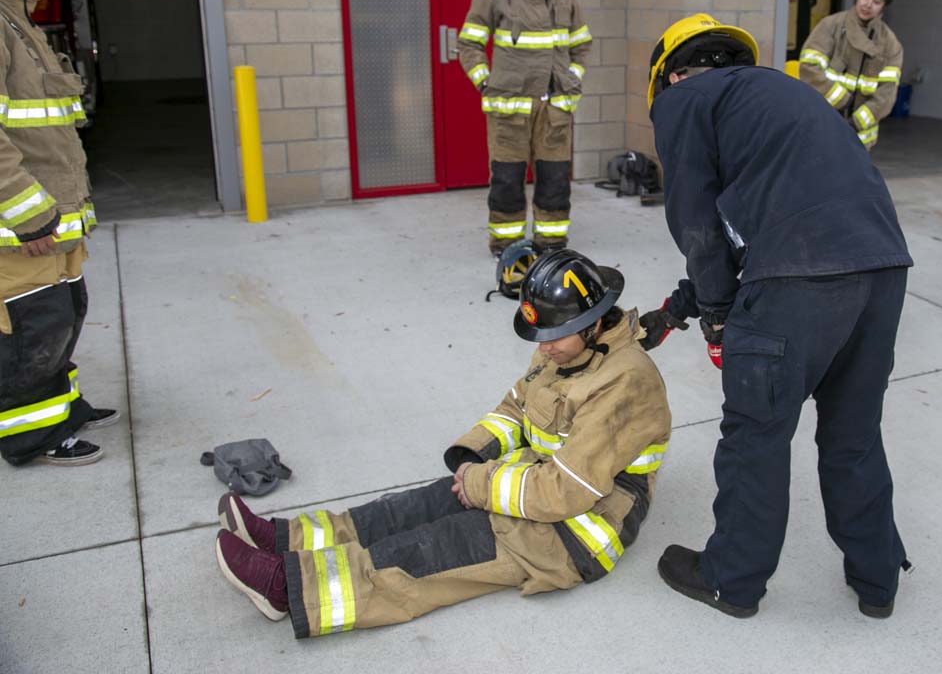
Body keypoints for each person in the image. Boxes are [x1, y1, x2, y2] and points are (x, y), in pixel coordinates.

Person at [215, 249, 671, 638]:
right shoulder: (565, 346)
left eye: (553, 336)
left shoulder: (627, 382)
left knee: (428, 551)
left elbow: (564, 491)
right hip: (536, 479)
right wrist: (473, 457)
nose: (544, 347)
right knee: (411, 507)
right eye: (540, 335)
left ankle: (286, 589)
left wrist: (480, 485)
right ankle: (285, 539)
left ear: (593, 322)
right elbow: (517, 406)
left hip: (576, 530)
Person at [640, 14, 912, 619]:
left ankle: (731, 580)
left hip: (798, 283)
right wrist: (679, 309)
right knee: (854, 434)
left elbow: (698, 225)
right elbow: (763, 225)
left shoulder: (685, 100)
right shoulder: (781, 96)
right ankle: (877, 581)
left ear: (671, 75)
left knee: (756, 434)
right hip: (881, 268)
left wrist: (717, 315)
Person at [0, 0, 115, 467]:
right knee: (31, 328)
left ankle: (60, 409)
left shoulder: (18, 24)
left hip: (50, 221)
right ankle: (30, 436)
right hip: (25, 228)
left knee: (63, 312)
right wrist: (27, 215)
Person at [457, 0, 592, 257]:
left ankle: (552, 244)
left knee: (555, 180)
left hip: (554, 109)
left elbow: (581, 45)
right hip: (509, 111)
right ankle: (507, 246)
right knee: (507, 179)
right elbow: (469, 43)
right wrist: (485, 83)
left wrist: (572, 81)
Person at [796, 0, 903, 149]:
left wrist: (856, 122)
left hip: (860, 138)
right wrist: (842, 100)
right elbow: (809, 67)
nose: (868, 4)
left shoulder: (891, 44)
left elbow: (887, 94)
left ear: (883, 8)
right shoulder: (831, 25)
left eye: (877, 1)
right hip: (824, 122)